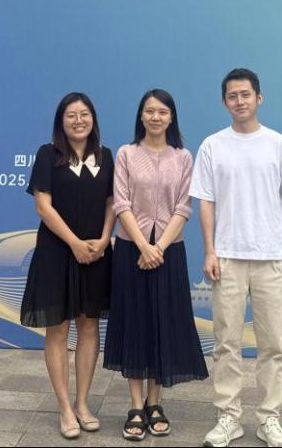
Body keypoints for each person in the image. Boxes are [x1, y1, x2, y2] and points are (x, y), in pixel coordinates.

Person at [191, 69, 282, 448]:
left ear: (259, 97)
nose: (239, 101)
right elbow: (205, 201)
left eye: (245, 94)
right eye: (232, 96)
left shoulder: (278, 144)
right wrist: (210, 250)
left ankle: (269, 418)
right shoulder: (212, 146)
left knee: (273, 344)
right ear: (224, 101)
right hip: (226, 257)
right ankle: (229, 417)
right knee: (226, 342)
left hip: (270, 257)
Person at [103, 89, 208, 441]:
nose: (155, 117)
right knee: (135, 323)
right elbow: (121, 204)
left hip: (168, 251)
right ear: (141, 115)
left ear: (171, 116)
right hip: (131, 249)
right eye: (149, 111)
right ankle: (135, 406)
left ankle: (155, 403)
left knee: (162, 323)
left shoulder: (183, 157)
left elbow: (183, 208)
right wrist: (143, 247)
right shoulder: (126, 153)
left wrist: (158, 247)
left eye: (162, 111)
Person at [21, 92, 116, 440]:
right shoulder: (48, 155)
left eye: (84, 114)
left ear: (93, 119)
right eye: (71, 115)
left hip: (95, 253)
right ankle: (64, 407)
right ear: (61, 121)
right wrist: (74, 243)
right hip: (57, 254)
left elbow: (113, 202)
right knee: (57, 331)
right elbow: (43, 207)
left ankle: (82, 403)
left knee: (89, 327)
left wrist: (104, 240)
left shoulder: (106, 156)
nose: (79, 120)